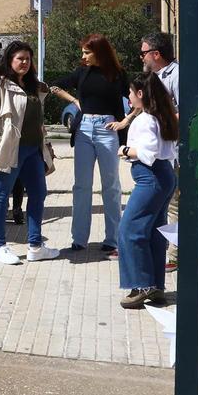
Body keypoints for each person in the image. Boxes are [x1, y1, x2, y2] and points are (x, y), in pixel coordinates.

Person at [0, 40, 59, 265]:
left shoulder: (33, 86)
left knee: (38, 194)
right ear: (9, 60)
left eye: (28, 59)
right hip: (10, 151)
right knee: (1, 196)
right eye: (20, 58)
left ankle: (35, 246)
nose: (24, 62)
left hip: (33, 151)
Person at [49, 34, 128, 255]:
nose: (83, 56)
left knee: (111, 186)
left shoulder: (118, 74)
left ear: (99, 52)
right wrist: (75, 101)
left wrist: (126, 121)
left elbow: (138, 97)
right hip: (84, 129)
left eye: (86, 52)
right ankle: (79, 239)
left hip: (107, 130)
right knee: (81, 186)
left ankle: (113, 239)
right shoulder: (82, 72)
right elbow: (55, 85)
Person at [116, 72, 179, 309]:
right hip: (164, 176)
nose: (129, 97)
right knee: (153, 232)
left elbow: (147, 153)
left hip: (150, 178)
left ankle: (141, 286)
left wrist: (124, 150)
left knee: (129, 230)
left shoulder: (145, 119)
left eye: (131, 92)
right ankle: (155, 287)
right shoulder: (162, 116)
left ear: (140, 94)